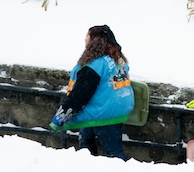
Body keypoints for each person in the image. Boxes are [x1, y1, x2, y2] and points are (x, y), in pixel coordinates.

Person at [51, 25, 134, 160]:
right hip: (116, 108)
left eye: (87, 36)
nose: (85, 39)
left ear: (94, 41)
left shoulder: (94, 66)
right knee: (87, 145)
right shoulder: (116, 58)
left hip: (103, 113)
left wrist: (60, 118)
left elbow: (80, 95)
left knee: (114, 153)